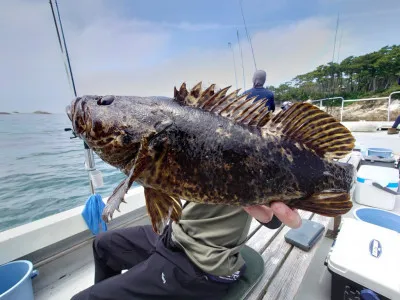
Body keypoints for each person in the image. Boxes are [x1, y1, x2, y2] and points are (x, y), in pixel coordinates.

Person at [71, 201, 301, 300]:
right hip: (174, 234)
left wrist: (269, 213)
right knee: (103, 243)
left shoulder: (255, 161)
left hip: (200, 260)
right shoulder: (205, 141)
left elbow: (273, 219)